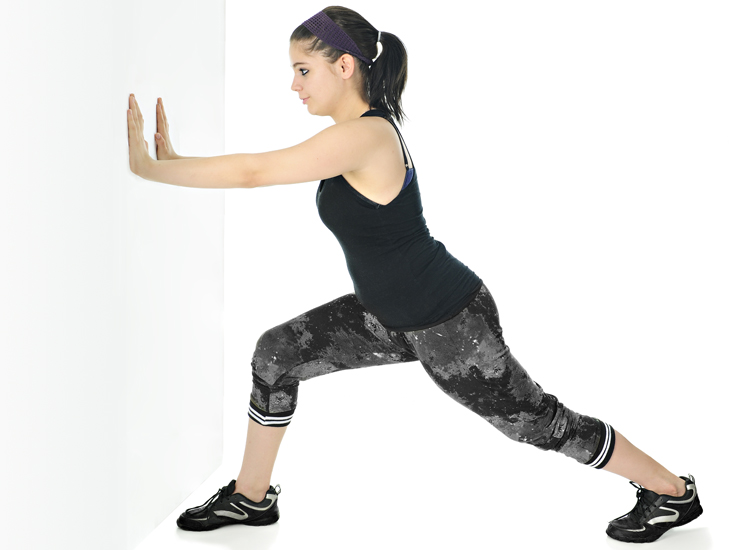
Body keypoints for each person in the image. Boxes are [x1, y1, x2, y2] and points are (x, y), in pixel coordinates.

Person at [126, 6, 702, 543]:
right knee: (276, 354)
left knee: (537, 424)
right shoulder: (356, 133)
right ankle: (251, 498)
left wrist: (152, 170)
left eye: (303, 70)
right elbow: (256, 169)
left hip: (448, 322)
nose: (294, 85)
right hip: (384, 315)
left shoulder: (364, 136)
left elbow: (255, 173)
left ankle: (671, 492)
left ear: (343, 66)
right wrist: (170, 160)